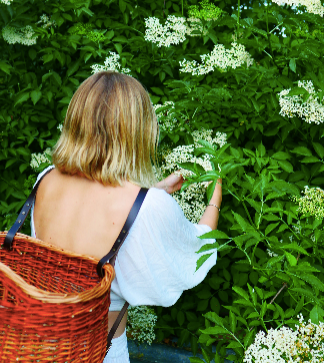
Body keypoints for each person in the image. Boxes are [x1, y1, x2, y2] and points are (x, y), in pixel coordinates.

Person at [30, 71, 222, 362]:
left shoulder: (45, 180)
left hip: (37, 345)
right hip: (100, 353)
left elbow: (89, 217)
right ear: (136, 130)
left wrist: (154, 192)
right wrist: (215, 194)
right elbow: (198, 250)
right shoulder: (147, 206)